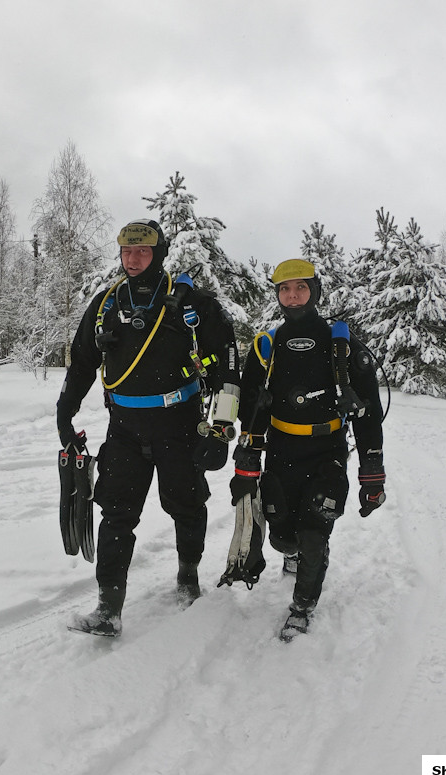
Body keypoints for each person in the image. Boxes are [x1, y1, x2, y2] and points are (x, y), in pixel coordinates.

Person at [57, 219, 241, 637]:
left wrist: (222, 427)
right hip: (124, 428)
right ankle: (108, 608)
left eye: (142, 252)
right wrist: (64, 413)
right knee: (116, 514)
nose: (133, 259)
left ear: (158, 254)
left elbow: (229, 370)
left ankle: (188, 579)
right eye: (126, 252)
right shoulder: (106, 304)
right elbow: (83, 361)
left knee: (187, 506)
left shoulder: (193, 304)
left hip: (179, 425)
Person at [220, 258, 385, 641]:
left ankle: (303, 606)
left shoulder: (341, 346)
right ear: (277, 295)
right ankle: (294, 552)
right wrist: (249, 444)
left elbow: (368, 413)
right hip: (281, 447)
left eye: (301, 288)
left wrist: (371, 472)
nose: (292, 296)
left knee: (314, 531)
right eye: (284, 289)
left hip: (326, 447)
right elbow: (249, 407)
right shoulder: (267, 344)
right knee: (283, 536)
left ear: (315, 291)